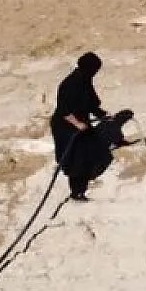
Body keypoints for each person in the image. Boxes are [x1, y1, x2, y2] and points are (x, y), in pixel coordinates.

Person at [50, 51, 110, 201]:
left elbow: (91, 104)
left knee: (92, 155)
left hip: (82, 124)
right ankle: (77, 193)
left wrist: (103, 115)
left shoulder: (85, 81)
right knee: (76, 160)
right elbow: (64, 111)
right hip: (66, 127)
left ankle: (82, 189)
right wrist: (78, 124)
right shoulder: (69, 84)